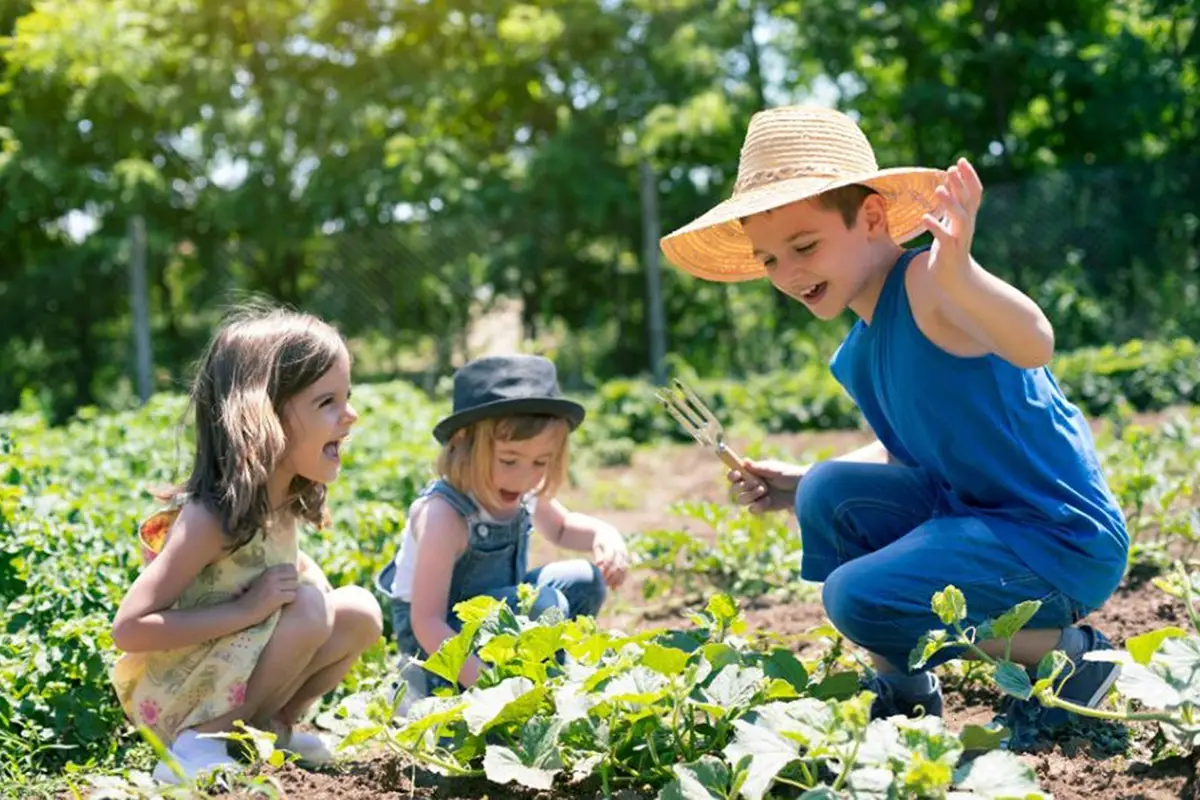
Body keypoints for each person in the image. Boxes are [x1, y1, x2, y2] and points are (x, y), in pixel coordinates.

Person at [658, 105, 1129, 729]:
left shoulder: (931, 284)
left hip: (1056, 539)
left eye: (804, 246)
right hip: (983, 525)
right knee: (827, 490)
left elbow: (1035, 341)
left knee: (855, 596)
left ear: (873, 218)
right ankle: (905, 690)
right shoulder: (858, 352)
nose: (789, 274)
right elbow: (908, 456)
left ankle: (1071, 662)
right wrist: (796, 485)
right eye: (770, 260)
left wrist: (960, 270)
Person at [109, 305, 383, 784]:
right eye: (327, 402)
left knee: (358, 610)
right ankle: (197, 747)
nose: (351, 415)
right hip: (183, 693)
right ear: (264, 416)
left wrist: (300, 581)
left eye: (348, 396)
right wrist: (248, 610)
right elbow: (130, 629)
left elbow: (280, 570)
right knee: (312, 611)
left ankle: (272, 728)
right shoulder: (210, 518)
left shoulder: (282, 499)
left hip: (237, 671)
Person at [376, 354, 630, 706]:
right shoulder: (444, 516)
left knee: (585, 580)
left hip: (495, 624)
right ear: (464, 443)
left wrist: (605, 535)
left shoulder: (521, 491)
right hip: (439, 647)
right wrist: (490, 687)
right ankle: (428, 688)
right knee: (548, 603)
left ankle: (540, 679)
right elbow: (427, 623)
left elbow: (562, 528)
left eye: (541, 462)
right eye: (509, 460)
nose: (525, 477)